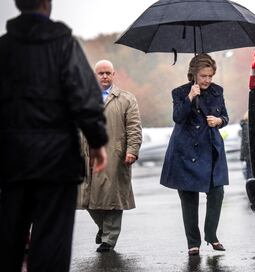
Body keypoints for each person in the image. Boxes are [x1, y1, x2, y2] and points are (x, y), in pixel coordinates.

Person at [0, 0, 109, 271]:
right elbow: (84, 98)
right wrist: (97, 141)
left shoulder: (3, 48)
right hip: (57, 162)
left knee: (7, 238)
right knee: (51, 242)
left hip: (11, 160)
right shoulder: (64, 45)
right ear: (47, 5)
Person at [160, 53, 229, 256]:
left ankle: (212, 235)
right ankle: (193, 242)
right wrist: (190, 97)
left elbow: (225, 115)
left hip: (211, 149)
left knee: (217, 193)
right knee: (189, 198)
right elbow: (177, 118)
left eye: (210, 75)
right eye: (203, 76)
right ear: (194, 74)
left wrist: (219, 121)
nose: (207, 80)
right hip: (186, 150)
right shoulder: (180, 92)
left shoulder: (218, 91)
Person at [79, 60, 142, 253]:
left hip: (115, 155)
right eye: (100, 73)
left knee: (113, 198)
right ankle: (103, 228)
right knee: (87, 197)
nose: (104, 76)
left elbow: (134, 128)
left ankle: (109, 239)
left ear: (113, 74)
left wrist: (132, 150)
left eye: (108, 73)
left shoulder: (126, 99)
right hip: (88, 154)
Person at [239, 111, 252, 180]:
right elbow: (247, 141)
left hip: (246, 153)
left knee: (248, 170)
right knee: (250, 172)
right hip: (250, 153)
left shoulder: (244, 125)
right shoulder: (247, 125)